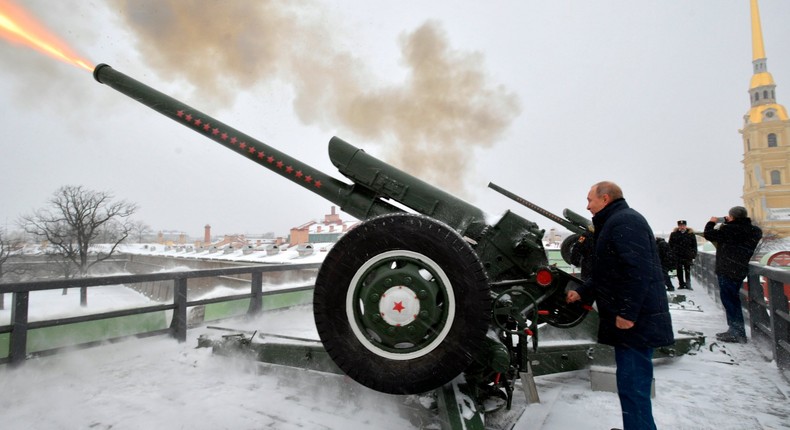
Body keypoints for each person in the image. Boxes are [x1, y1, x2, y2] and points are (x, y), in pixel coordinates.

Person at [566, 181, 674, 430]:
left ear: (605, 199)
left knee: (634, 384)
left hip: (636, 322)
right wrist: (582, 292)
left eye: (590, 200)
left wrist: (628, 313)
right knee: (628, 383)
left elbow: (638, 272)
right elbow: (607, 272)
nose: (587, 205)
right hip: (634, 319)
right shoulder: (616, 222)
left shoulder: (625, 222)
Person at [703, 206, 762, 344]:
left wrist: (712, 222)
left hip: (726, 269)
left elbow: (708, 234)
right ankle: (736, 330)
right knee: (734, 299)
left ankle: (737, 332)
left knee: (730, 300)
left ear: (732, 217)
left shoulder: (728, 229)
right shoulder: (755, 231)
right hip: (740, 269)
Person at [669, 220, 698, 290]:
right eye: (680, 225)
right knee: (679, 270)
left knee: (687, 270)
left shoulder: (691, 234)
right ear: (678, 226)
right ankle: (681, 284)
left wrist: (693, 254)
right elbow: (670, 245)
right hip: (677, 255)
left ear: (685, 226)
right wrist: (672, 253)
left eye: (683, 225)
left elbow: (694, 245)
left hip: (687, 255)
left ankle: (688, 284)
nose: (682, 227)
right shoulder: (674, 234)